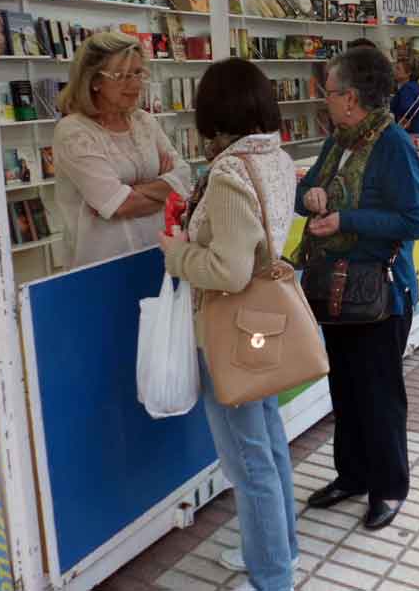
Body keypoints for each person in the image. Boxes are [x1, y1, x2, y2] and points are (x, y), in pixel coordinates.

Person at [158, 58, 299, 591]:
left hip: (229, 330)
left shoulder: (228, 173)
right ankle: (281, 550)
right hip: (265, 323)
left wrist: (178, 254)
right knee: (269, 440)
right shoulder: (277, 157)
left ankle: (272, 575)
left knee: (247, 460)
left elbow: (229, 270)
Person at [296, 47, 419, 531]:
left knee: (379, 394)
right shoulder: (338, 142)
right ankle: (351, 475)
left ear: (350, 98)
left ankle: (389, 487)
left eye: (328, 93)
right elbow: (303, 192)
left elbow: (415, 220)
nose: (324, 100)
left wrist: (347, 219)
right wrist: (309, 196)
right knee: (346, 390)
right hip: (333, 290)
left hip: (380, 295)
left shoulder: (393, 144)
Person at [53, 31, 190, 269]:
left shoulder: (144, 121)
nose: (135, 84)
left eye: (138, 73)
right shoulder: (73, 132)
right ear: (94, 80)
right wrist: (163, 186)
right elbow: (119, 205)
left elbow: (184, 179)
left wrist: (129, 193)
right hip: (103, 266)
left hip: (160, 252)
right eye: (121, 76)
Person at [391, 55, 419, 134]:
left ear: (408, 73)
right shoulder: (415, 85)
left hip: (407, 132)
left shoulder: (408, 88)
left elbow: (405, 108)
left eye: (398, 68)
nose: (394, 71)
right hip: (414, 131)